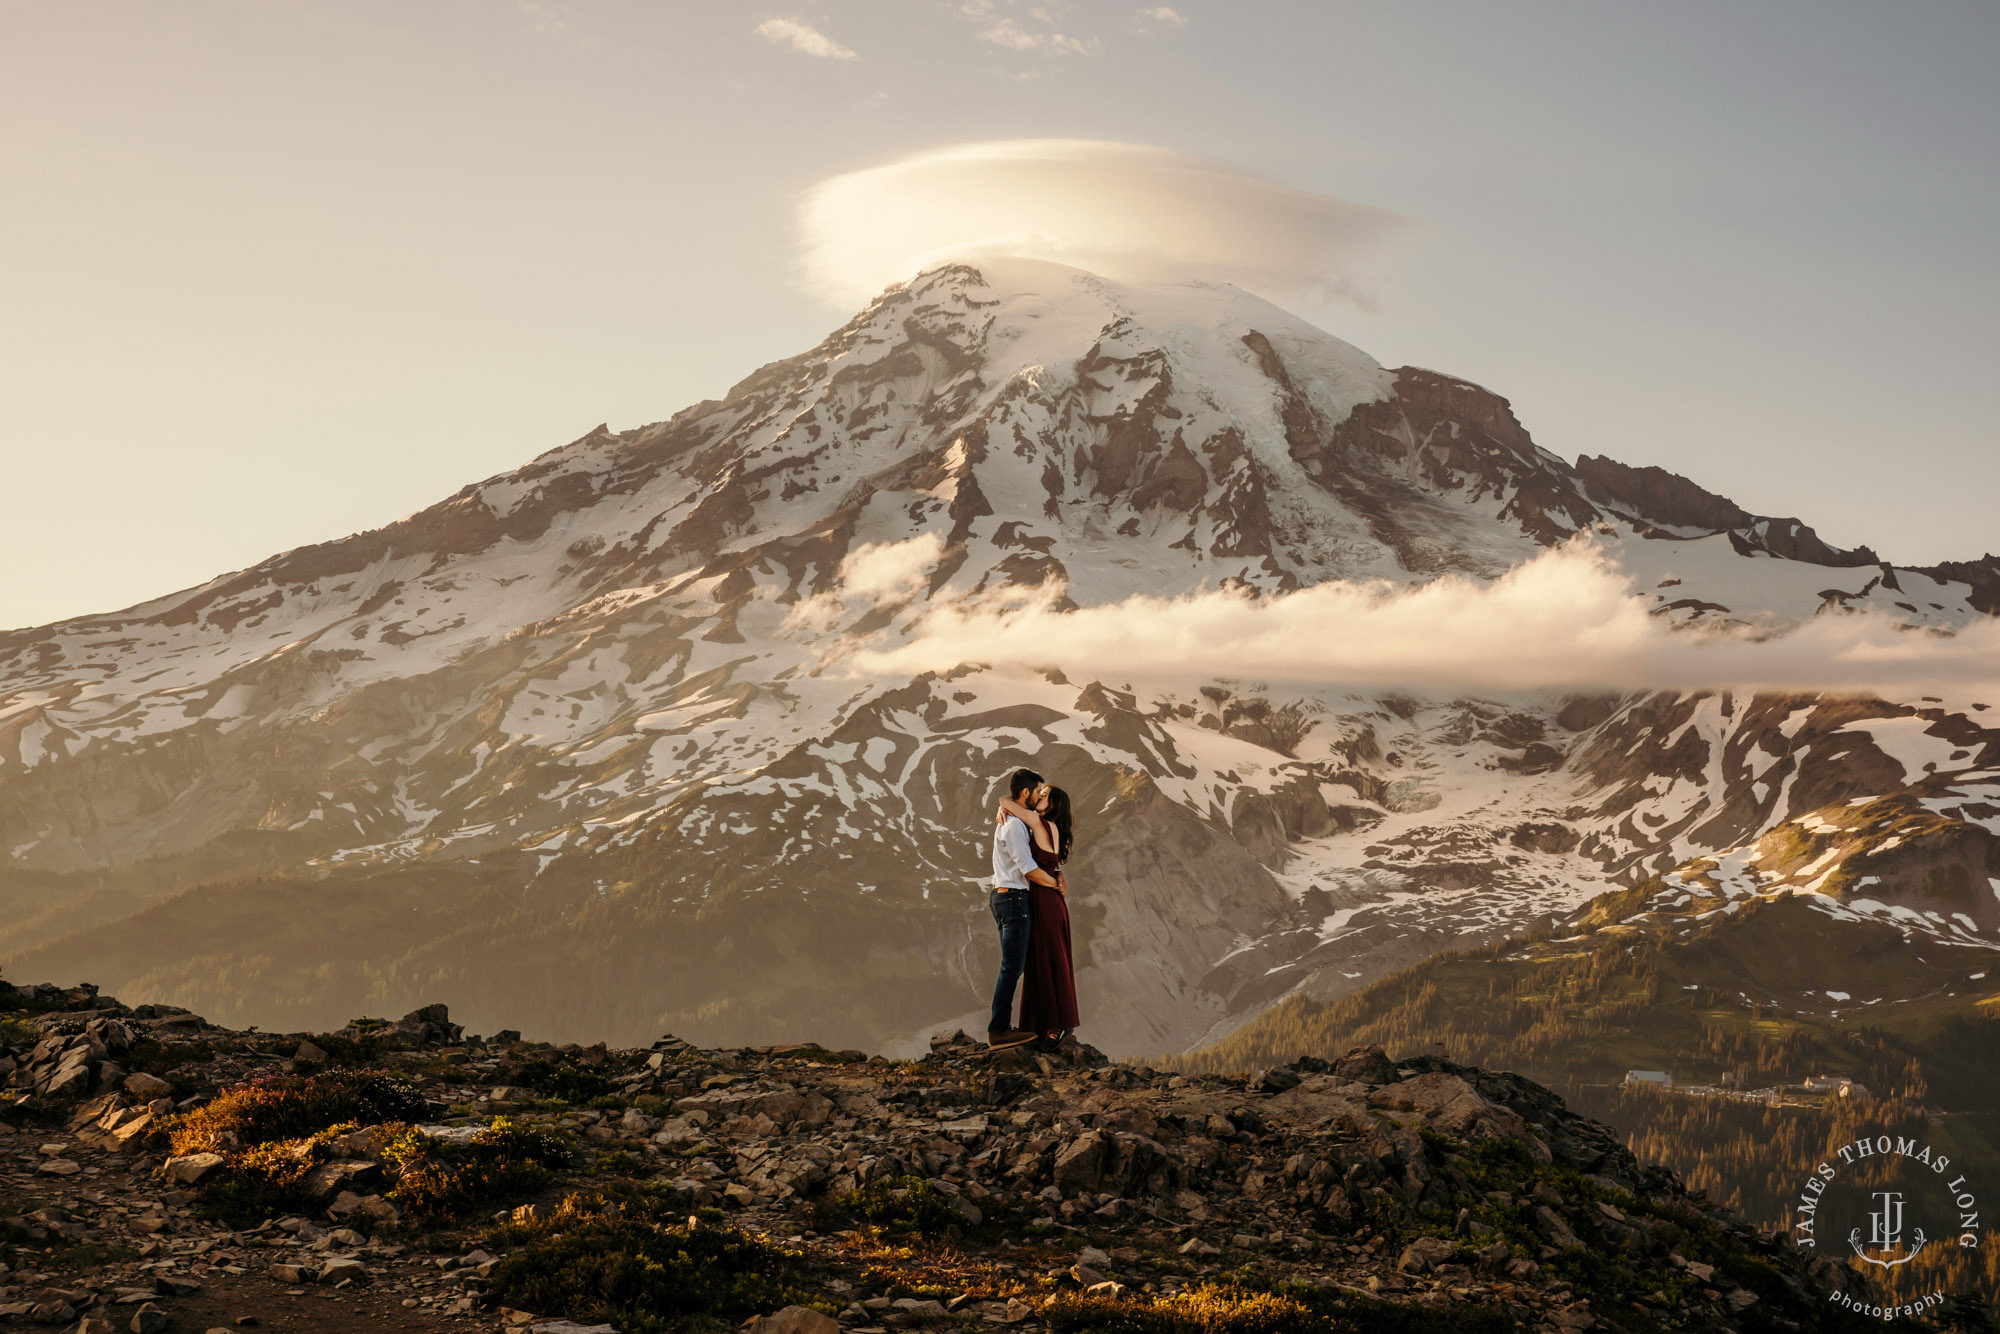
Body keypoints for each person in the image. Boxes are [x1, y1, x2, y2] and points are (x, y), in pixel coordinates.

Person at [997, 781, 1080, 1053]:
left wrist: (1002, 806)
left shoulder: (1039, 823)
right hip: (1048, 900)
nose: (1040, 797)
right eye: (1040, 793)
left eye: (1045, 796)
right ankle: (1047, 1024)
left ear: (1053, 805)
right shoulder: (1048, 828)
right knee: (1044, 960)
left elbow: (1008, 800)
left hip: (1044, 900)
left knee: (1047, 960)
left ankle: (1054, 1025)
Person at [988, 768, 1059, 1051]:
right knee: (1012, 967)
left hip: (1006, 898)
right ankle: (999, 1030)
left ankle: (1010, 1026)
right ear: (1026, 793)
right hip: (1015, 899)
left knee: (1015, 966)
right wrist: (1057, 884)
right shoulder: (1015, 826)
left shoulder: (1012, 819)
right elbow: (1027, 869)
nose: (1041, 795)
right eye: (1038, 790)